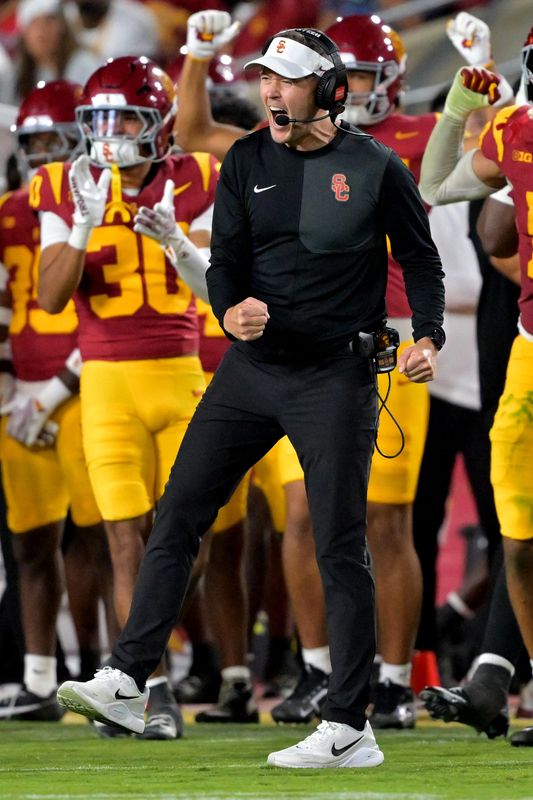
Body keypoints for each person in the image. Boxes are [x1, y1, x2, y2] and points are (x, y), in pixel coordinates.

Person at [55, 26, 445, 769]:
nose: (270, 91)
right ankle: (127, 677)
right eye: (265, 78)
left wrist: (427, 336)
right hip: (252, 370)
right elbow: (228, 263)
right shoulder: (244, 158)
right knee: (178, 512)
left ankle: (348, 724)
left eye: (288, 80)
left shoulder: (374, 166)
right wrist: (229, 307)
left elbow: (421, 262)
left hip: (335, 375)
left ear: (327, 89)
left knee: (338, 543)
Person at [32, 56, 219, 740]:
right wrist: (80, 227)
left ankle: (141, 668)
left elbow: (214, 294)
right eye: (99, 120)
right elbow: (51, 297)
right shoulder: (63, 183)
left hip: (180, 373)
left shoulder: (196, 177)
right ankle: (149, 689)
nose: (110, 136)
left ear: (161, 126)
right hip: (107, 381)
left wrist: (177, 243)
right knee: (121, 541)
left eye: (126, 120)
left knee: (185, 541)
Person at [417, 26, 533, 749]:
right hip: (528, 349)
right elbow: (434, 186)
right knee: (516, 536)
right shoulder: (520, 128)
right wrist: (462, 99)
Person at [0, 80, 106, 721]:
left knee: (99, 540)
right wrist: (14, 391)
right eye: (32, 140)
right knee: (31, 545)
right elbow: (6, 304)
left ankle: (103, 673)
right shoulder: (10, 209)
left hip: (89, 384)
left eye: (52, 139)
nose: (41, 152)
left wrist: (58, 387)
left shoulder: (103, 201)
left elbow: (106, 312)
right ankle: (41, 680)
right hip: (23, 395)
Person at [8, 0, 101, 104]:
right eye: (34, 23)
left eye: (49, 21)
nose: (41, 31)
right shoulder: (17, 72)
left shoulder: (83, 65)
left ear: (62, 28)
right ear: (24, 35)